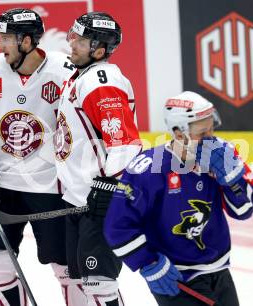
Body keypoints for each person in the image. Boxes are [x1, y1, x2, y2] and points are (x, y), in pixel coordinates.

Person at [0, 8, 79, 306]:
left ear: (27, 41)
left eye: (7, 39)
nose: (0, 45)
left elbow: (80, 129)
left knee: (66, 269)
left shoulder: (65, 72)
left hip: (51, 186)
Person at [104, 91, 253, 306]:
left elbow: (245, 210)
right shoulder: (148, 169)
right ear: (179, 134)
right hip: (176, 278)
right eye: (202, 133)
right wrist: (147, 263)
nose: (211, 138)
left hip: (220, 272)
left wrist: (233, 180)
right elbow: (118, 226)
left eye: (212, 129)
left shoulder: (223, 153)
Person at [54, 12, 142, 306]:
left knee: (100, 284)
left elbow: (126, 144)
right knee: (85, 284)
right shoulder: (80, 77)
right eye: (73, 37)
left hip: (100, 201)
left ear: (100, 50)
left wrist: (109, 190)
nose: (72, 44)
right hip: (79, 198)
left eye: (81, 40)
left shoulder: (101, 81)